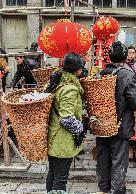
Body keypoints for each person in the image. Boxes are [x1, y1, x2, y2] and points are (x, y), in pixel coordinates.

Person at [95, 41, 136, 194]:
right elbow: (135, 102)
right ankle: (118, 190)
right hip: (120, 124)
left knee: (103, 157)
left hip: (102, 124)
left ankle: (104, 188)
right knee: (119, 158)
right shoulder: (127, 75)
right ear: (124, 57)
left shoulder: (100, 74)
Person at [45, 52, 85, 192]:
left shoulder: (57, 81)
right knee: (60, 178)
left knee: (53, 174)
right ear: (78, 69)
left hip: (53, 137)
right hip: (62, 140)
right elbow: (66, 119)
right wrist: (82, 128)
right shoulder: (70, 88)